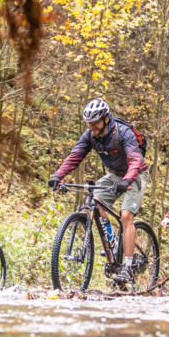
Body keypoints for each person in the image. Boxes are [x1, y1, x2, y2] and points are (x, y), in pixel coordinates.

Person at [48, 98, 149, 286]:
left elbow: (135, 160)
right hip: (115, 174)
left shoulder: (123, 132)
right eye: (89, 124)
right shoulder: (90, 136)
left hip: (136, 174)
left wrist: (127, 180)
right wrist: (58, 175)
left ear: (106, 120)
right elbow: (75, 156)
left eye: (95, 124)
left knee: (126, 215)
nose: (92, 128)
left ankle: (127, 267)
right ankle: (112, 245)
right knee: (97, 199)